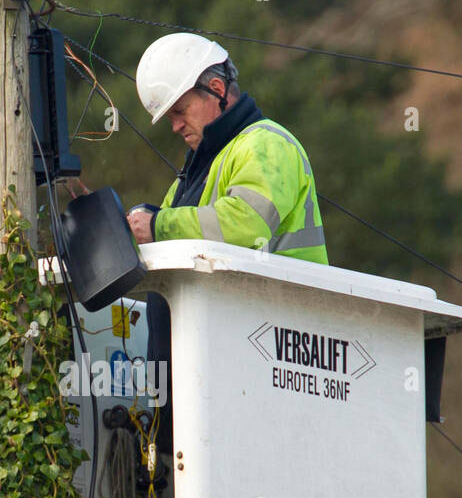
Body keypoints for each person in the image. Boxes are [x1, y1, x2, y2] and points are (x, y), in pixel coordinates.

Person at [126, 32, 329, 451]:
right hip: (217, 373)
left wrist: (158, 225)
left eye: (180, 111)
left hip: (277, 357)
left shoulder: (267, 145)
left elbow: (246, 226)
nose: (176, 125)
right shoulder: (199, 170)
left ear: (215, 90)